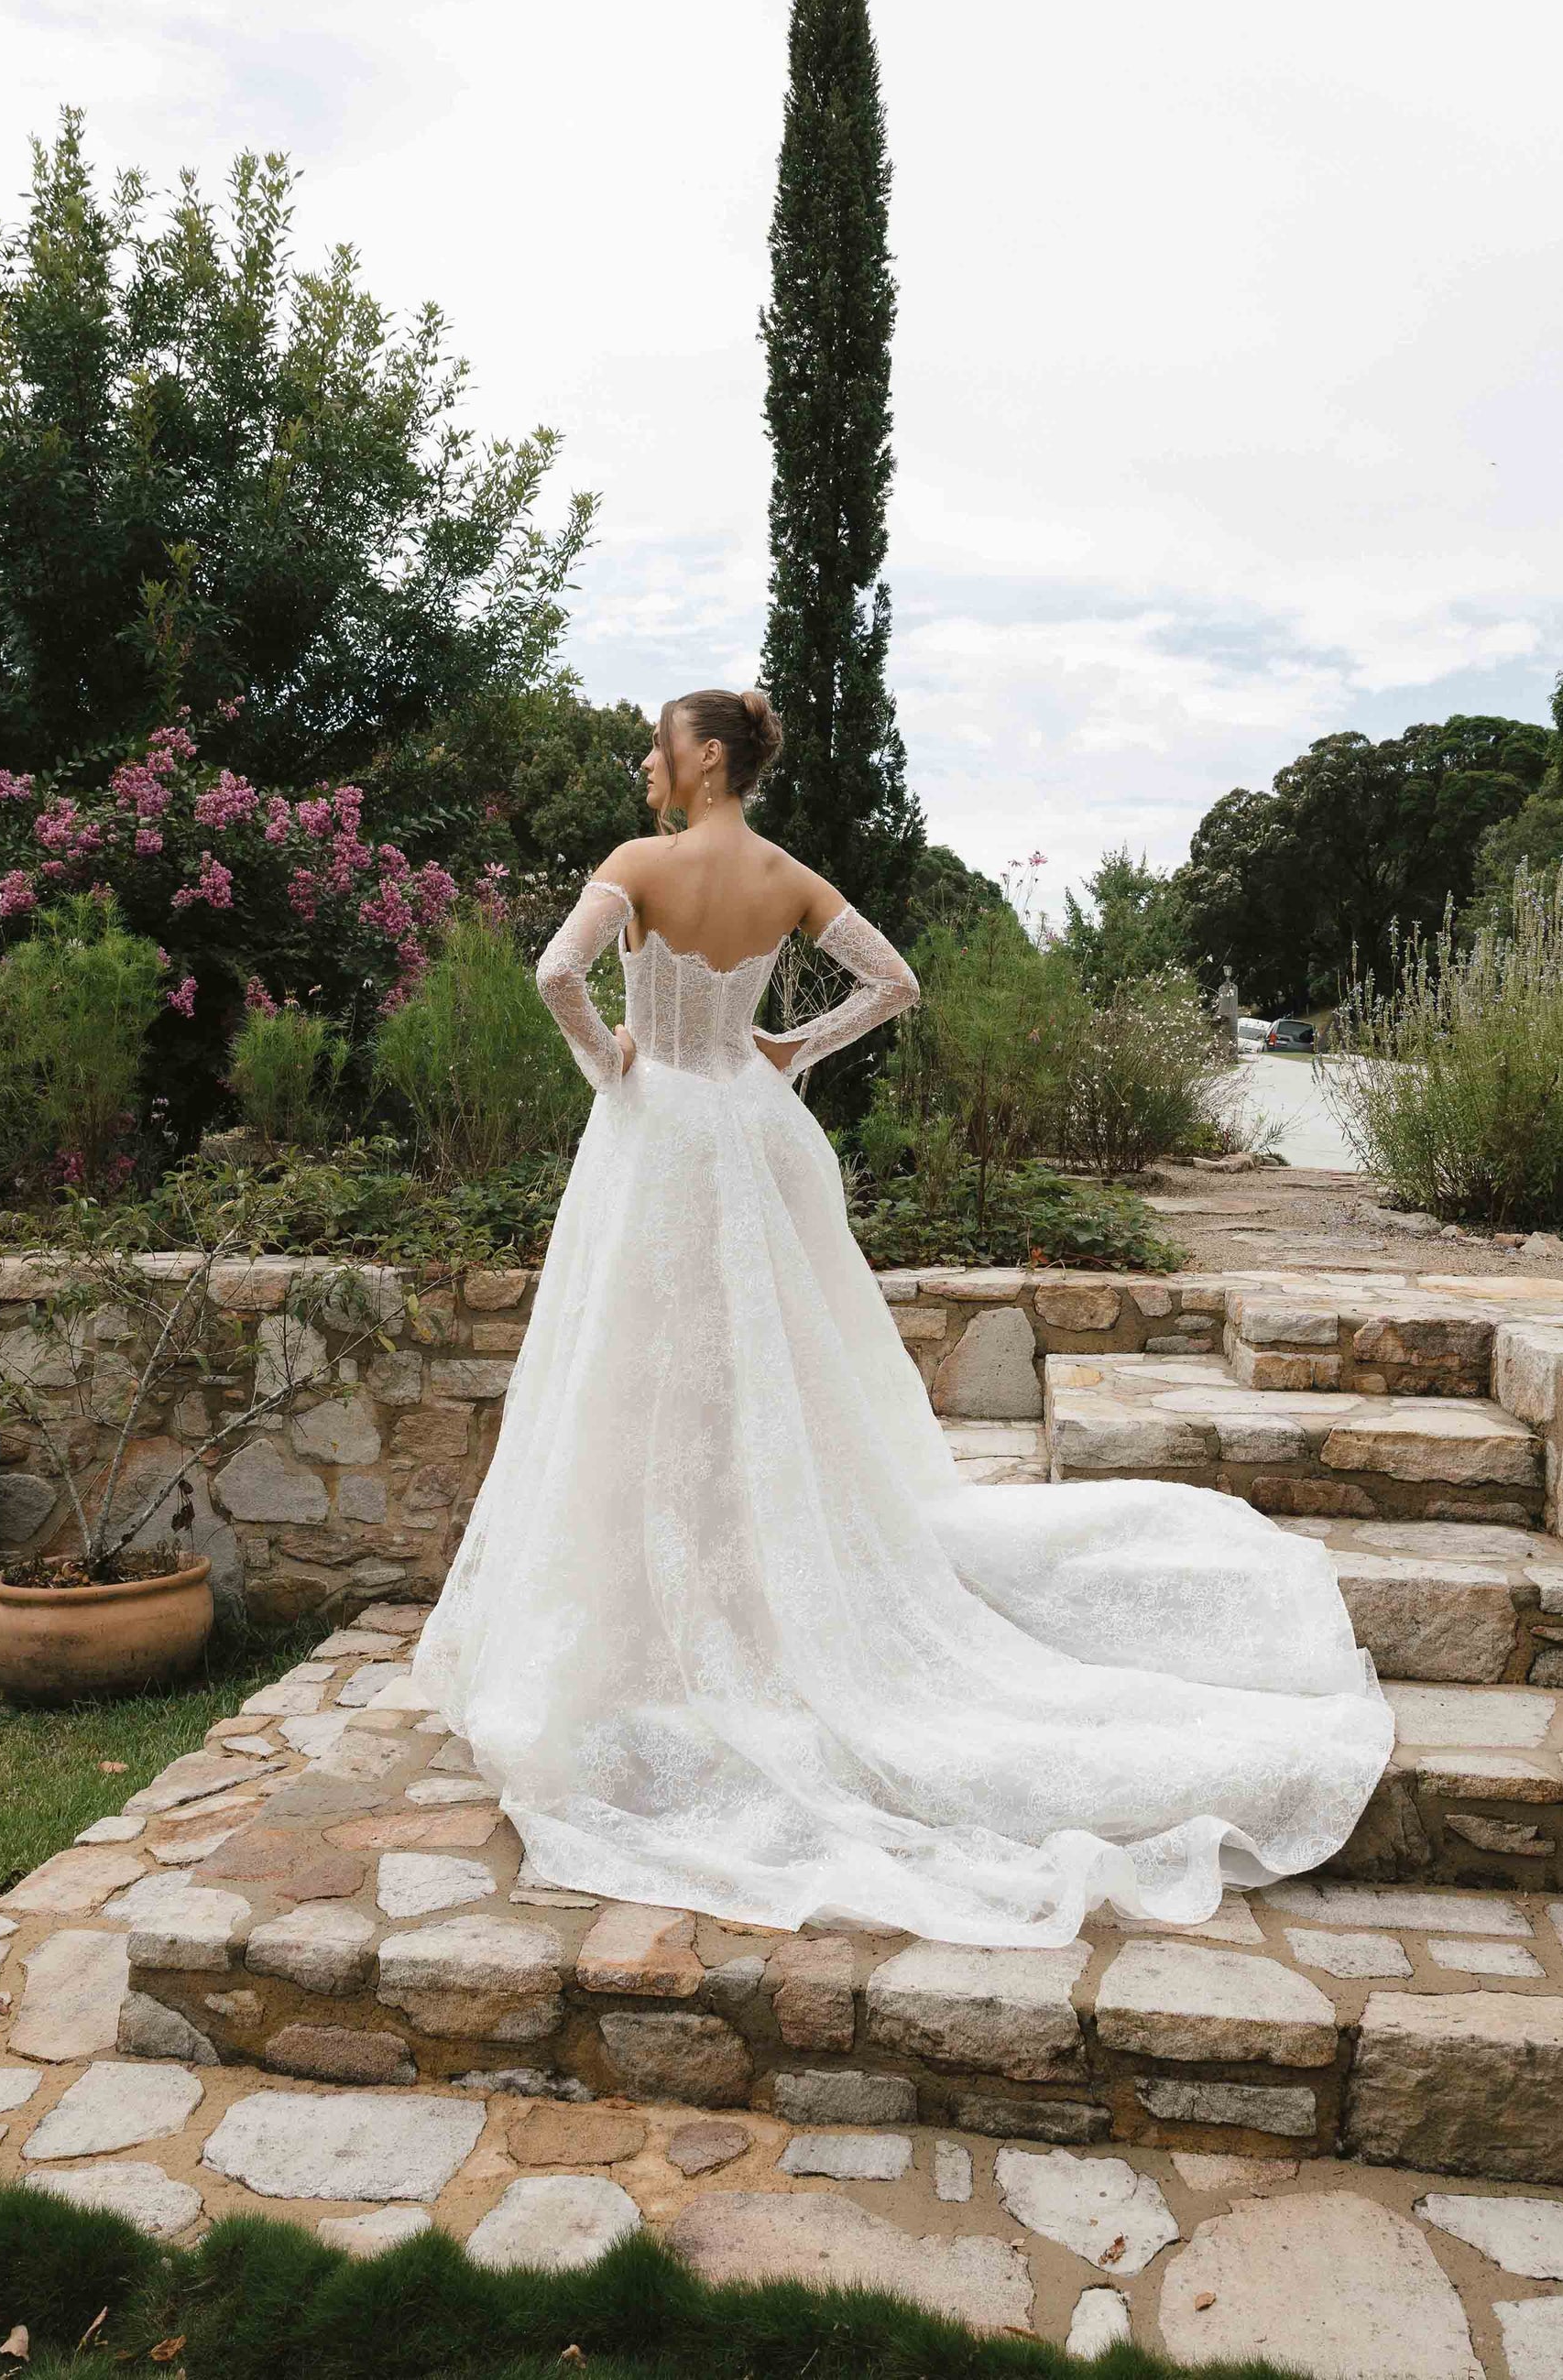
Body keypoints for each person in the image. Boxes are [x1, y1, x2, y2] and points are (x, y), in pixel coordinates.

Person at [410, 687, 1394, 1946]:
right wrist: (790, 1050)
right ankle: (756, 1603)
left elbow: (557, 973)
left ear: (703, 758)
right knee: (765, 1374)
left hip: (657, 1137)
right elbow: (894, 982)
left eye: (659, 745)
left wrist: (614, 1067)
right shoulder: (786, 877)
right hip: (752, 1128)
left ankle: (650, 1629)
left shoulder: (639, 864)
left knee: (636, 1365)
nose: (645, 763)